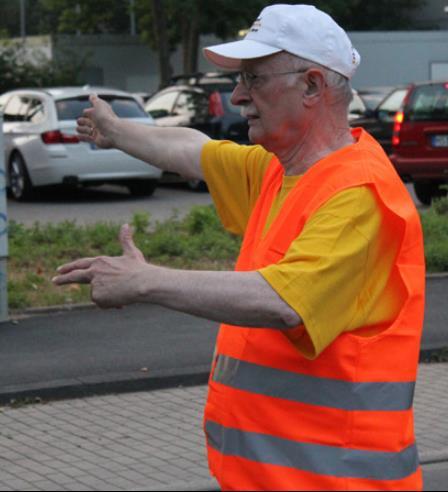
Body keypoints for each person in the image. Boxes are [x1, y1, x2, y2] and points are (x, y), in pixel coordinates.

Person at [53, 4, 426, 490]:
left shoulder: (360, 194)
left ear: (312, 86)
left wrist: (144, 281)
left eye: (253, 78)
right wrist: (117, 131)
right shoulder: (281, 170)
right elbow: (192, 151)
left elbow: (285, 301)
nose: (237, 96)